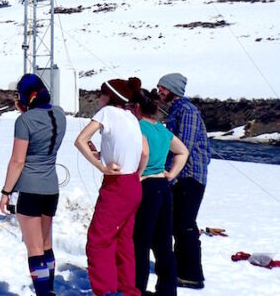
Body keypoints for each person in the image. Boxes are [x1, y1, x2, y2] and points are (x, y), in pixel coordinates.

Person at [75, 78, 149, 296]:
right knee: (123, 242)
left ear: (109, 97)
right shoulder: (132, 117)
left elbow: (80, 140)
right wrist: (134, 171)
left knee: (98, 240)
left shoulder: (106, 113)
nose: (99, 98)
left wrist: (101, 166)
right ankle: (127, 290)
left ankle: (106, 291)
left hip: (116, 185)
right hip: (133, 184)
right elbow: (144, 152)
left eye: (101, 94)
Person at [0, 74, 67, 296]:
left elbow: (18, 160)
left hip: (30, 188)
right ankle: (49, 290)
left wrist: (6, 192)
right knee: (46, 245)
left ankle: (42, 294)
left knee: (34, 249)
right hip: (51, 187)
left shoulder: (24, 121)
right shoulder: (59, 114)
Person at [130, 88, 189, 296]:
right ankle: (167, 290)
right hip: (163, 189)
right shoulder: (161, 129)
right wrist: (171, 174)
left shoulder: (137, 127)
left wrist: (138, 174)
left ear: (136, 107)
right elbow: (183, 151)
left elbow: (141, 153)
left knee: (140, 243)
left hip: (145, 186)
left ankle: (136, 289)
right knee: (164, 244)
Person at [157, 73, 210, 290]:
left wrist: (171, 174)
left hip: (188, 175)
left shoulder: (187, 111)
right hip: (180, 175)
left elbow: (182, 147)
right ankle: (181, 268)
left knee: (185, 224)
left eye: (163, 88)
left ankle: (192, 274)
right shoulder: (176, 110)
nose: (159, 91)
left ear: (173, 89)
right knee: (177, 223)